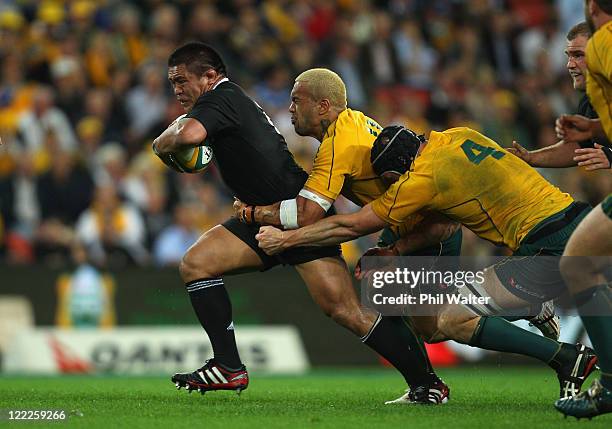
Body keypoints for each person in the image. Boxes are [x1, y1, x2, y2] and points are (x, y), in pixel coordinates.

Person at [239, 69, 595, 401]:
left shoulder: (406, 176)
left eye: (296, 100)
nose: (289, 109)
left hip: (463, 236)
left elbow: (339, 221)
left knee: (445, 322)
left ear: (323, 105)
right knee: (416, 317)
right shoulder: (453, 134)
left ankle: (558, 353)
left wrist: (277, 232)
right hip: (545, 217)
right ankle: (430, 383)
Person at [152, 42, 447, 399]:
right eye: (173, 83)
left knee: (346, 311)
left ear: (210, 76)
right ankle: (228, 367)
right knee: (196, 264)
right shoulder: (222, 101)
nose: (178, 90)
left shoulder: (220, 98)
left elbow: (187, 136)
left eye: (182, 81)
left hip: (296, 214)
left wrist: (161, 142)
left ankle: (427, 384)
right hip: (261, 214)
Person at [553, 0, 612, 419]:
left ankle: (609, 386)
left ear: (592, 8)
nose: (574, 62)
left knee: (578, 264)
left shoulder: (606, 44)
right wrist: (594, 132)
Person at [509, 21, 612, 170]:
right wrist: (530, 157)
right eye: (569, 56)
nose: (569, 64)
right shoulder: (589, 101)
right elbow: (578, 147)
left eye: (578, 55)